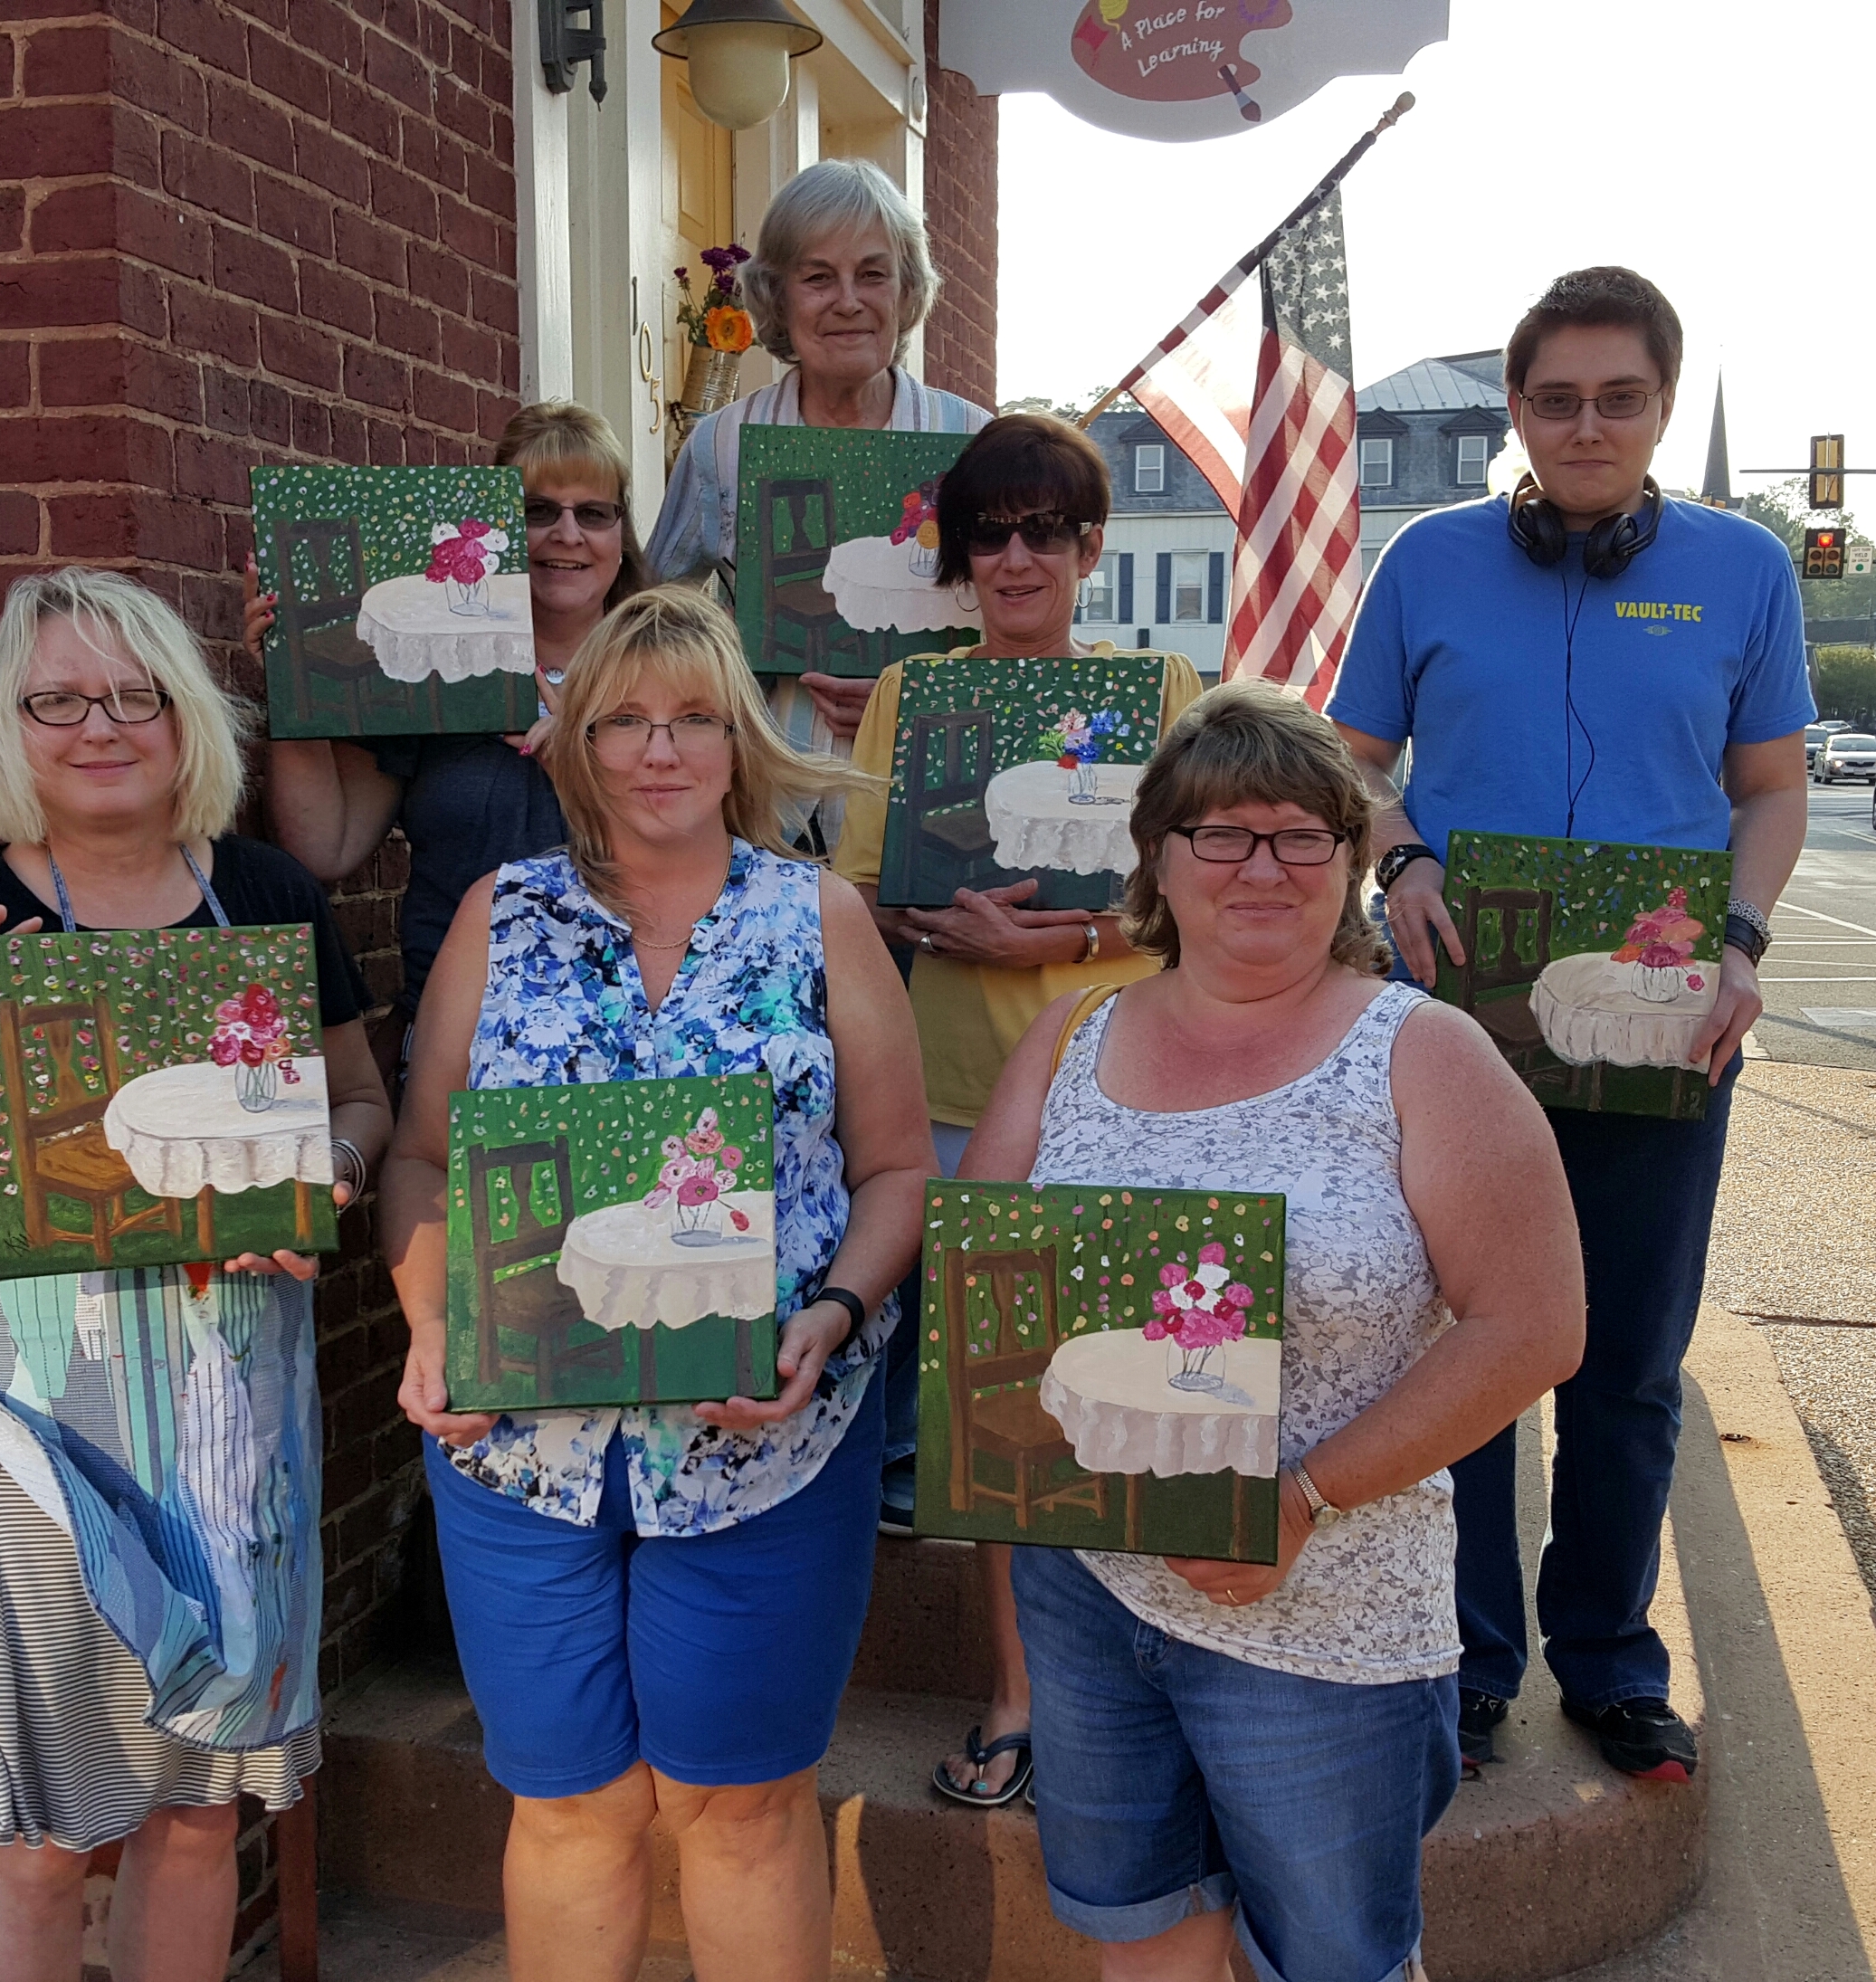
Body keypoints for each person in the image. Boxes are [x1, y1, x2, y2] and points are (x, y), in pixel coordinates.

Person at [0, 570, 392, 1982]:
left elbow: (362, 1102)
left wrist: (325, 1177)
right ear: (7, 727)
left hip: (230, 1409)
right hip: (26, 1418)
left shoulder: (262, 895)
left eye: (136, 695)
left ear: (184, 715)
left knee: (196, 1813)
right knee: (36, 1824)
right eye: (59, 700)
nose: (101, 725)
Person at [971, 682, 1584, 1982]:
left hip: (1326, 1617)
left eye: (1302, 834)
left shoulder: (1424, 1054)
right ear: (1157, 857)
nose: (1262, 866)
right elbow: (989, 1279)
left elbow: (1532, 1328)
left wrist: (1301, 1497)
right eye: (1221, 833)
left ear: (1349, 856)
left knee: (1333, 1963)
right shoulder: (1071, 1038)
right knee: (1140, 1936)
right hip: (1089, 1593)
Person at [380, 586, 934, 1982]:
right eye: (622, 719)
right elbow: (423, 1154)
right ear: (575, 745)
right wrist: (433, 1323)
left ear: (739, 737)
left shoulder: (818, 916)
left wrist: (831, 1316)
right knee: (569, 1804)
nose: (659, 748)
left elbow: (894, 1170)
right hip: (519, 1445)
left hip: (766, 1439)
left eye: (692, 716)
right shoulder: (501, 914)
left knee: (738, 1806)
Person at [1326, 266, 1814, 1781]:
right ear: (1515, 412)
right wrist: (1399, 859)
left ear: (1658, 405)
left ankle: (1604, 1659)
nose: (1584, 426)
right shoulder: (1427, 558)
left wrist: (1740, 941)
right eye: (1554, 400)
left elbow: (1769, 787)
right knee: (1456, 1350)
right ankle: (1463, 1659)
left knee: (1625, 1365)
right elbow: (1349, 757)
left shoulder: (1744, 569)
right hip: (1453, 1024)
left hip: (1662, 1025)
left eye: (1616, 399)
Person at [829, 410, 1204, 1806]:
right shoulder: (910, 694)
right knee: (995, 1403)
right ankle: (1016, 1693)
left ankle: (1163, 1686)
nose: (1015, 556)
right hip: (944, 1090)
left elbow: (1202, 887)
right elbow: (854, 887)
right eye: (987, 533)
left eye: (1045, 529)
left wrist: (1070, 937)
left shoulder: (1162, 688)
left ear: (1089, 548)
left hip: (1122, 1082)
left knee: (1131, 1382)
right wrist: (938, 919)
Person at [253, 400, 653, 1057]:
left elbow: (722, 849)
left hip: (631, 1026)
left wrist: (581, 768)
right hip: (457, 1031)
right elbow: (327, 847)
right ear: (493, 530)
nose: (567, 534)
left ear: (621, 533)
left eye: (593, 513)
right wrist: (292, 683)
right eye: (536, 511)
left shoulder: (671, 667)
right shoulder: (431, 666)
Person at [646, 157, 990, 758]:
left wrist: (914, 696)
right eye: (818, 278)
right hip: (763, 784)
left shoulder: (974, 444)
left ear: (907, 291)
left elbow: (1022, 629)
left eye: (873, 274)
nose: (848, 301)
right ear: (776, 297)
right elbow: (651, 611)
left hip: (922, 783)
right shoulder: (721, 444)